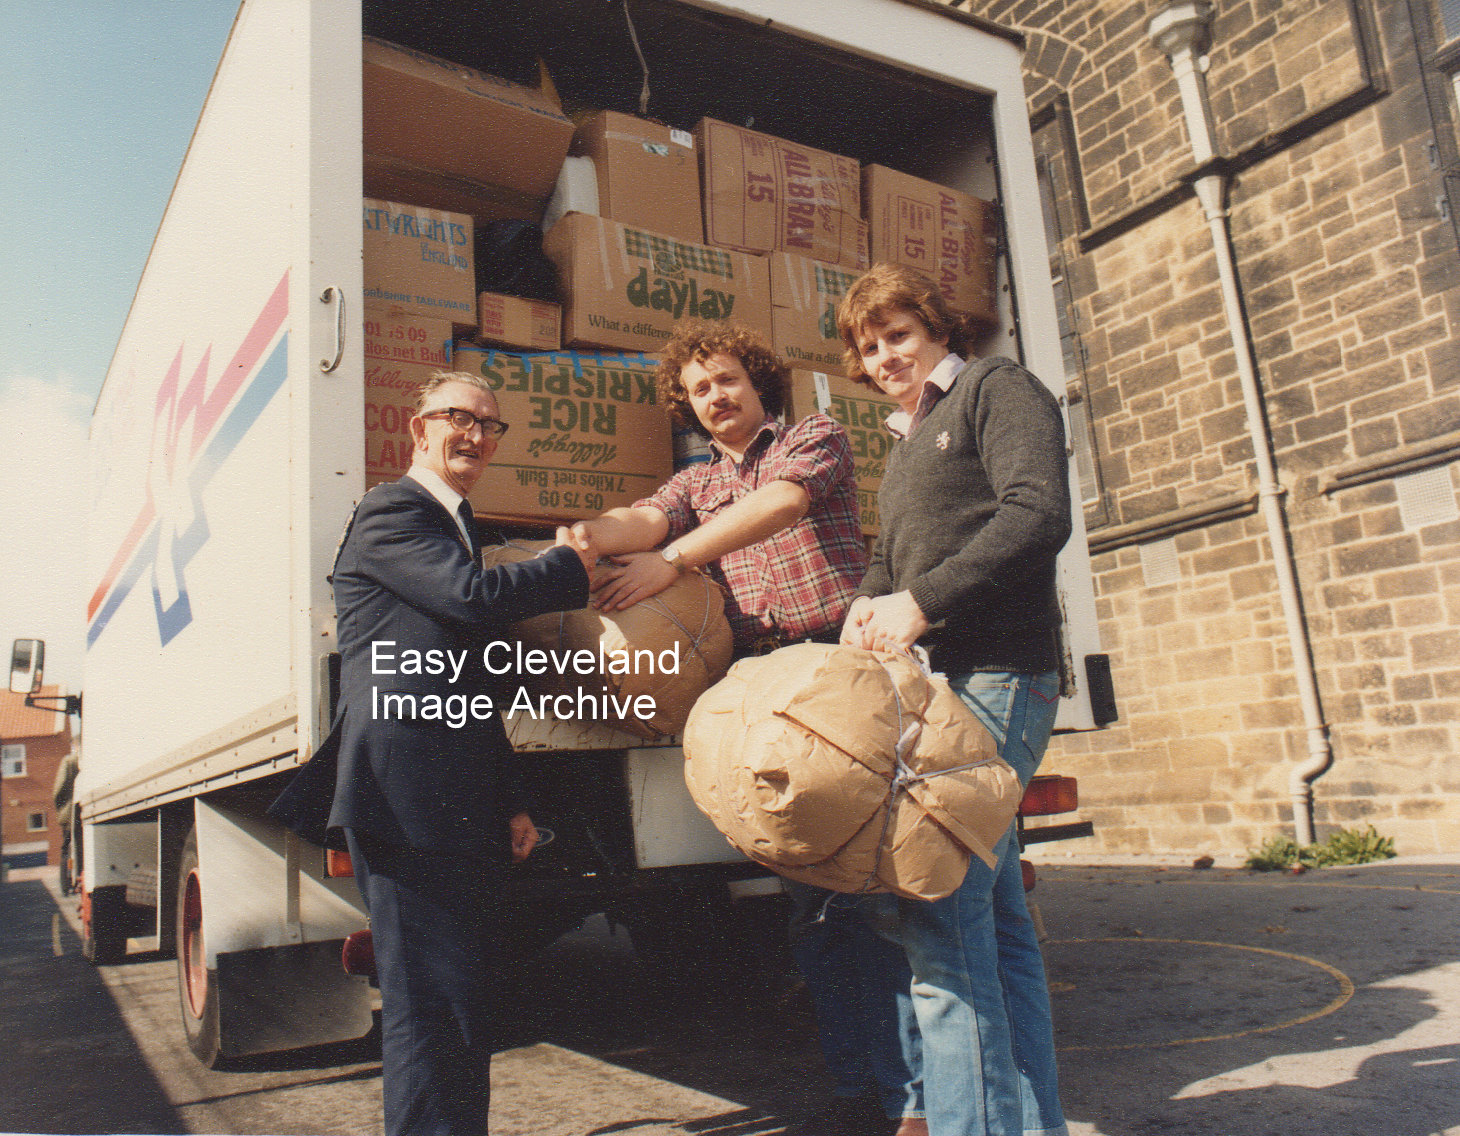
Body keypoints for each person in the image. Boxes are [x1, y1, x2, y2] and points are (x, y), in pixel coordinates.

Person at [570, 320, 921, 1135]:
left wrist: (674, 561)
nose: (716, 397)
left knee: (873, 894)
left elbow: (780, 504)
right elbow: (643, 520)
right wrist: (586, 538)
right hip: (760, 685)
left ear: (758, 381)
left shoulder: (813, 438)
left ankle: (915, 1101)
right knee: (813, 905)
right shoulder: (695, 484)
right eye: (699, 389)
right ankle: (856, 1091)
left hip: (838, 669)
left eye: (727, 379)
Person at [270, 371, 595, 1136]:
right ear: (419, 429)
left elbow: (468, 682)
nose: (476, 434)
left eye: (490, 425)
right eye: (460, 418)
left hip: (451, 792)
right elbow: (470, 600)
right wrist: (572, 562)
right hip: (405, 794)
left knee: (461, 997)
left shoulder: (455, 525)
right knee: (429, 1004)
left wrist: (511, 799)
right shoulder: (392, 511)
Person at [836, 263, 1073, 1136]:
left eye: (898, 334)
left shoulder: (995, 388)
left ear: (938, 328)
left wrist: (922, 603)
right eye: (870, 347)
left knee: (939, 919)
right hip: (950, 688)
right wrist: (867, 603)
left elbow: (1038, 512)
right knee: (996, 929)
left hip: (1001, 674)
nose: (886, 357)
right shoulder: (908, 441)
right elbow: (892, 559)